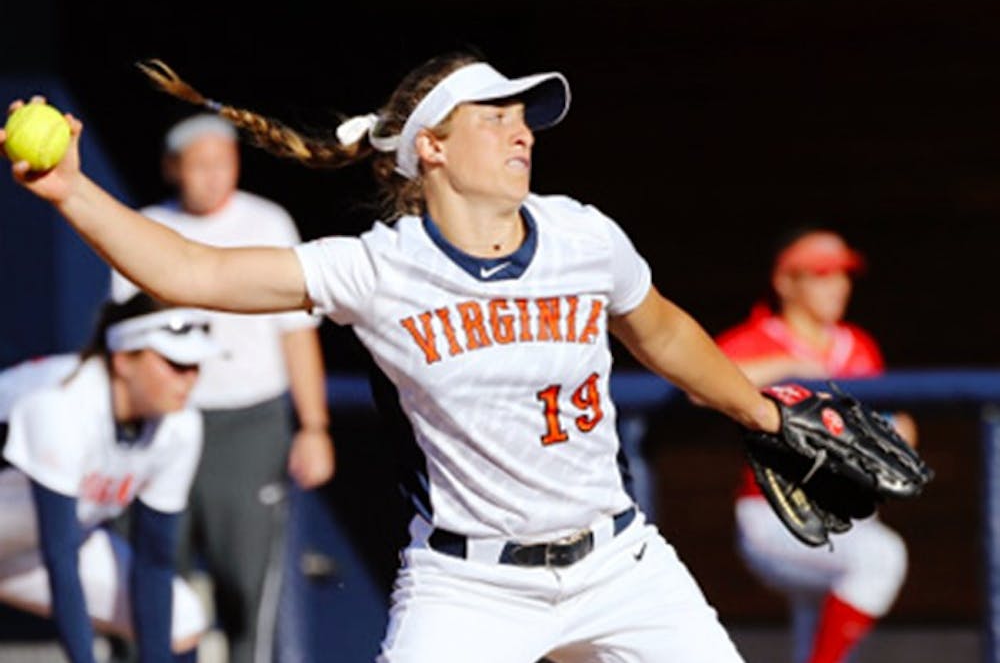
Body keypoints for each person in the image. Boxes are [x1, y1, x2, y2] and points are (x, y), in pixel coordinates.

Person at [5, 52, 792, 663]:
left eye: (524, 117)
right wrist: (73, 191)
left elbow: (660, 331)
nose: (523, 131)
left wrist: (764, 415)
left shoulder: (584, 235)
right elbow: (192, 271)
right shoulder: (379, 268)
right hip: (472, 582)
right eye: (496, 115)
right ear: (433, 147)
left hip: (619, 559)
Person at [108, 113, 336, 663]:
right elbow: (122, 347)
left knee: (246, 587)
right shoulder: (142, 228)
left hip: (250, 428)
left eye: (224, 161)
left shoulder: (269, 222)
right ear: (172, 168)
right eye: (200, 164)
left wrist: (314, 427)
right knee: (154, 581)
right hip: (165, 429)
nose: (213, 175)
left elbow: (297, 334)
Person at [715, 227, 917, 663]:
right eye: (821, 274)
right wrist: (790, 367)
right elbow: (699, 385)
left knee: (823, 627)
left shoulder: (858, 345)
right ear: (786, 281)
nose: (837, 286)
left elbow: (901, 426)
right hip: (775, 514)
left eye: (842, 275)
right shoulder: (758, 338)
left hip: (847, 513)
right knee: (880, 559)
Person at [0, 291, 220, 663]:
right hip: (50, 548)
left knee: (182, 617)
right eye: (176, 363)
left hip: (27, 553)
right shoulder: (63, 402)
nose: (189, 379)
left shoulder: (180, 426)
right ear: (123, 360)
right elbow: (61, 554)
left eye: (196, 365)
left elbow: (155, 560)